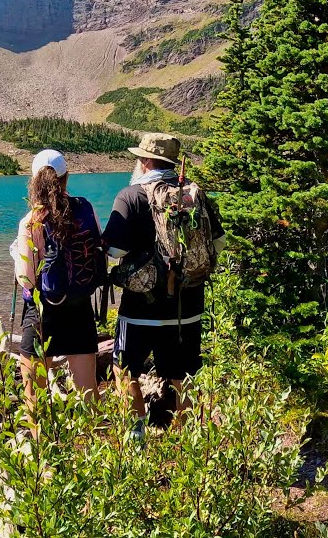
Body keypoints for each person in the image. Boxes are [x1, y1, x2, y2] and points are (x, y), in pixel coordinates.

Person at [103, 133, 224, 441]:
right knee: (183, 375)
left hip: (141, 308)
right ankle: (187, 441)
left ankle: (136, 438)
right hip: (188, 305)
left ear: (145, 161)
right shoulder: (193, 194)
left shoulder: (131, 196)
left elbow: (115, 250)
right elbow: (219, 243)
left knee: (124, 370)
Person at [10, 149, 105, 405]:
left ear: (34, 181)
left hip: (43, 311)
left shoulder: (31, 221)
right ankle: (92, 429)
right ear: (66, 177)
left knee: (34, 397)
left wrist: (17, 255)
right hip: (80, 306)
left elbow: (27, 279)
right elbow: (98, 247)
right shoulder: (85, 207)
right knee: (89, 392)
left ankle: (39, 430)